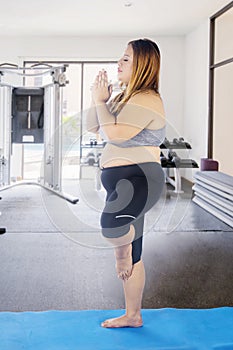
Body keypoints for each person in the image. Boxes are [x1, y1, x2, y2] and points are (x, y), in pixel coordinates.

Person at [86, 38, 166, 328]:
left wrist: (100, 103)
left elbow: (117, 135)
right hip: (122, 182)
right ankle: (133, 315)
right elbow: (93, 127)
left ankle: (122, 254)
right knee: (137, 251)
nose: (119, 63)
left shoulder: (148, 98)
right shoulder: (124, 98)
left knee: (112, 227)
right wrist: (101, 101)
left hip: (139, 178)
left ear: (142, 65)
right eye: (121, 57)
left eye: (126, 59)